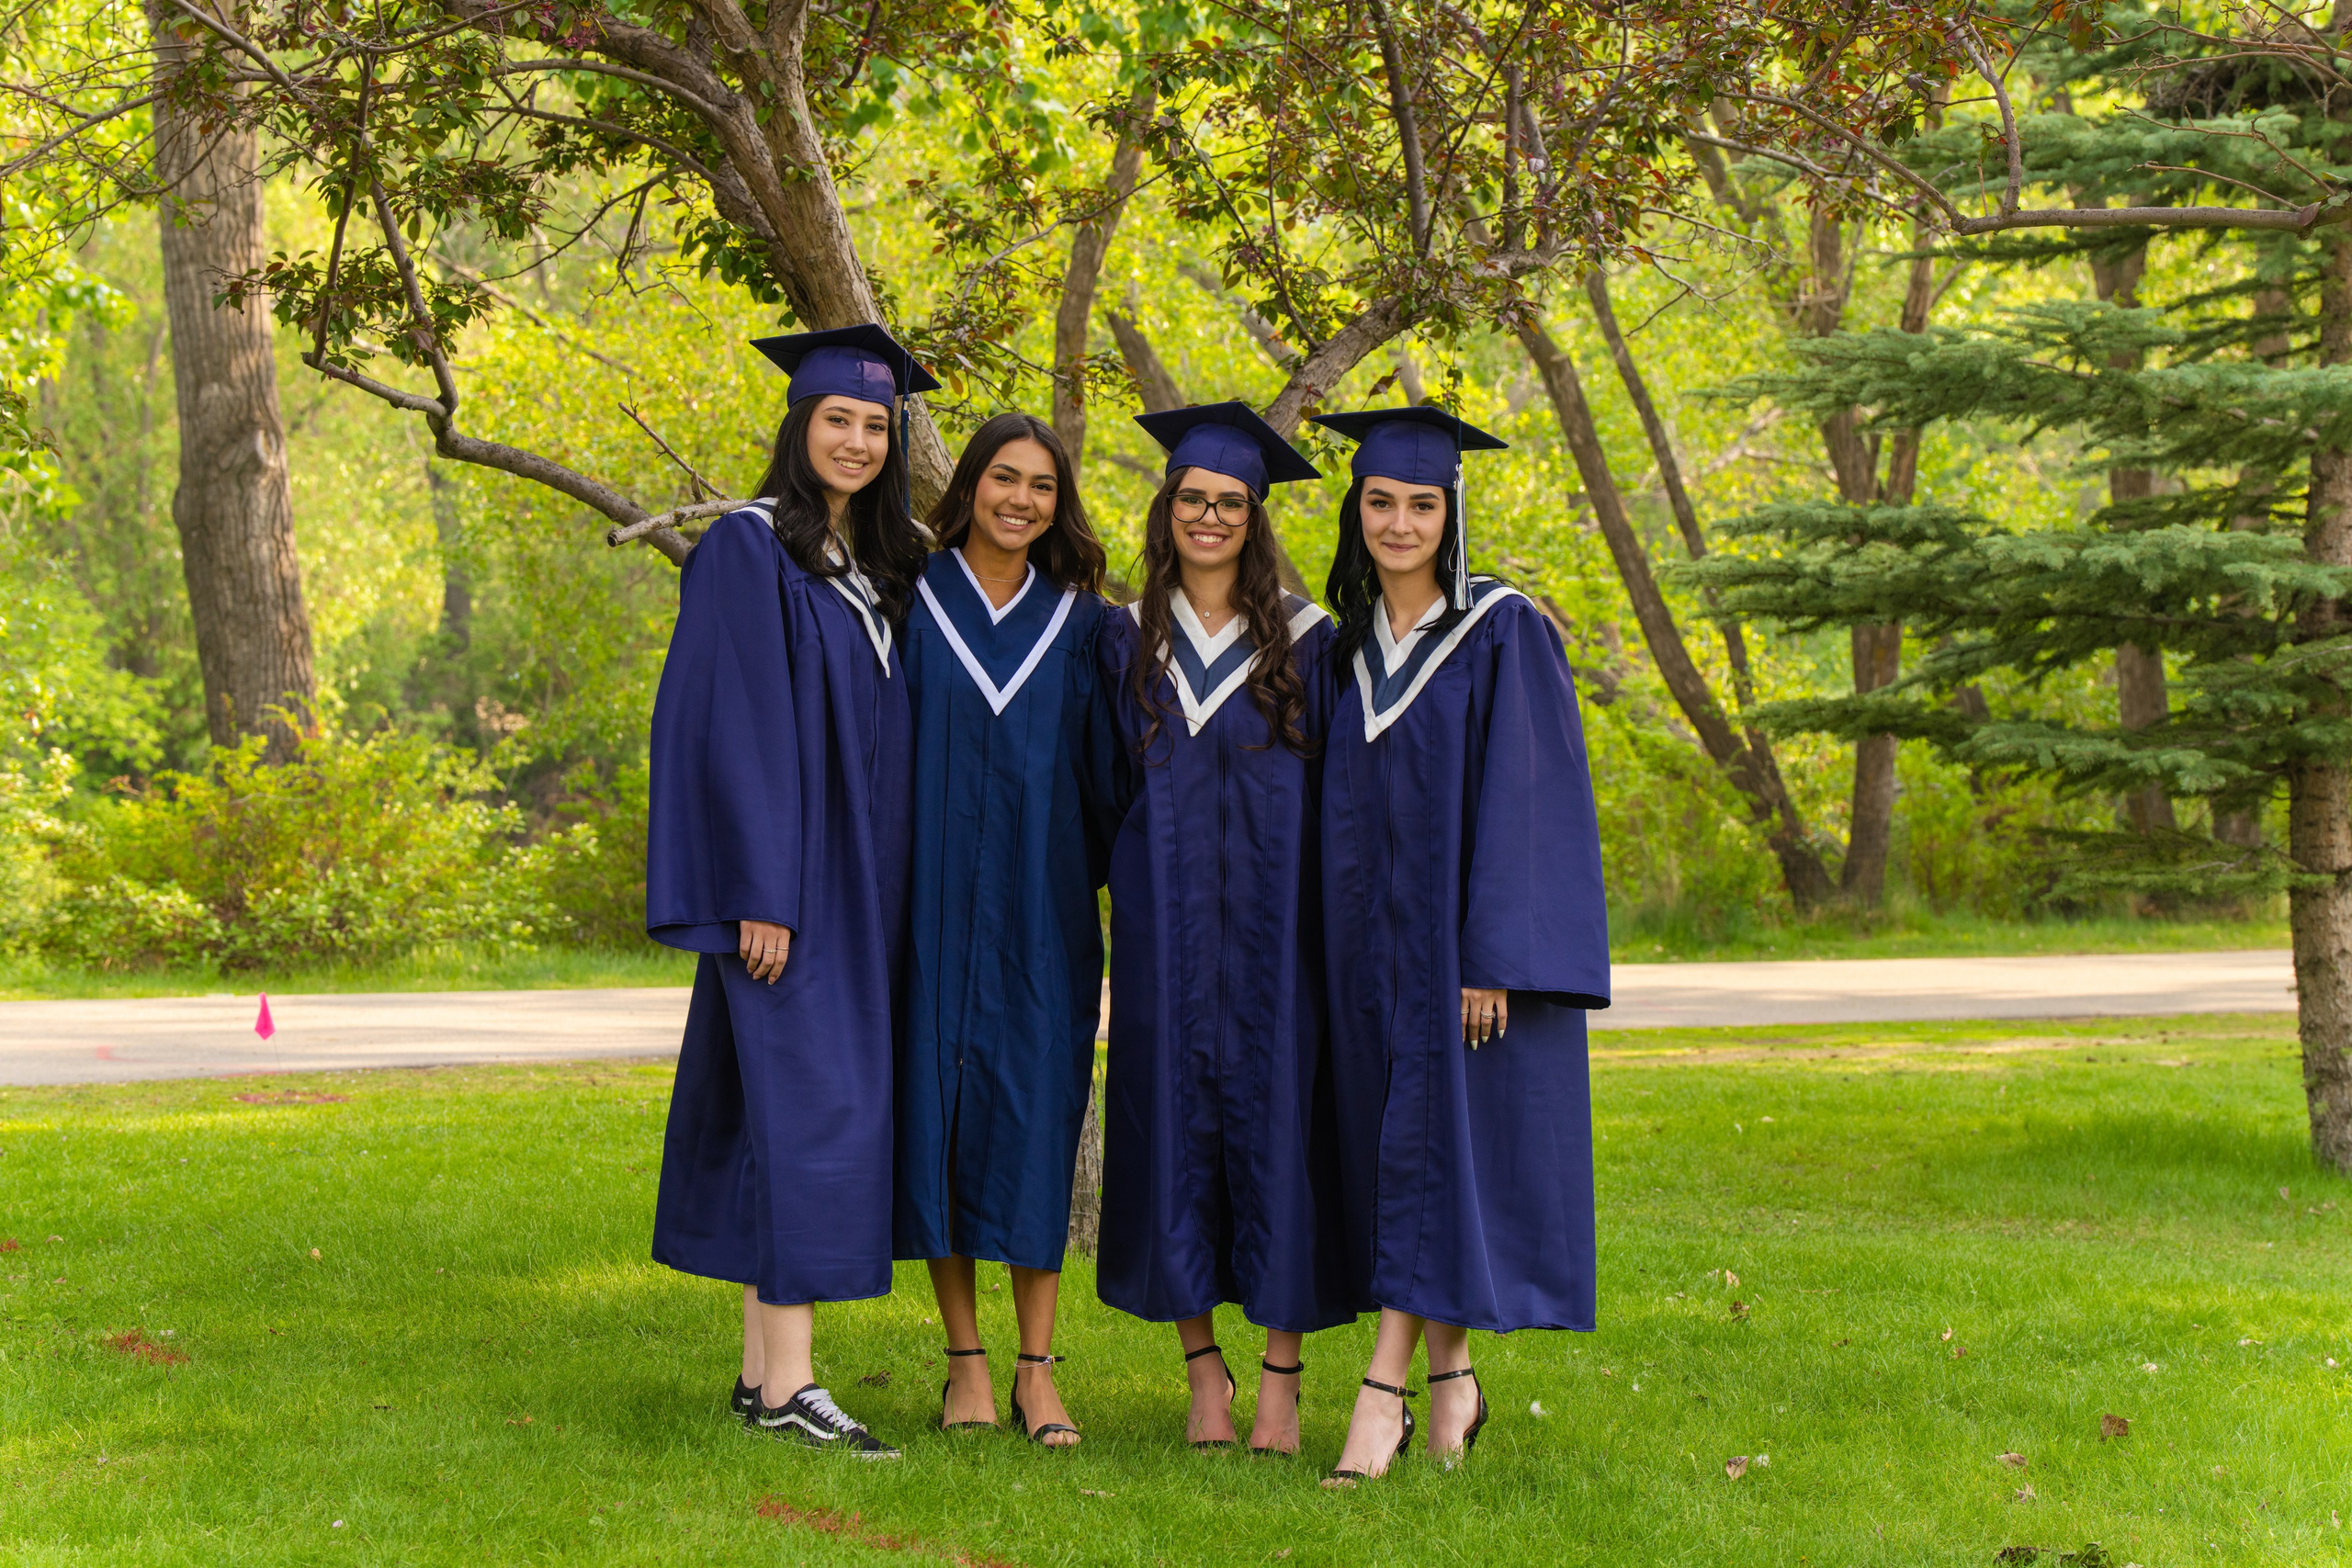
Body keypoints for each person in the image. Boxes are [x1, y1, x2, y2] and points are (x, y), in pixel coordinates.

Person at [1305, 405, 1610, 1486]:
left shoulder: (1500, 630)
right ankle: (1455, 1385)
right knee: (1410, 1166)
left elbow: (1532, 801)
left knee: (1433, 1160)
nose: (1397, 522)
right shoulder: (1345, 651)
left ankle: (1378, 1394)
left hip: (1459, 965)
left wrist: (1492, 956)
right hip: (1365, 962)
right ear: (1358, 509)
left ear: (1451, 513)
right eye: (1379, 501)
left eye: (1420, 504)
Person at [644, 324, 933, 1459]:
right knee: (812, 1116)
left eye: (875, 425)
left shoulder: (881, 565)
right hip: (795, 893)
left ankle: (764, 1379)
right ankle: (796, 1388)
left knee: (783, 1117)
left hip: (867, 884)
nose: (857, 441)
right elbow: (731, 731)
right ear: (798, 426)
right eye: (839, 421)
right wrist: (763, 890)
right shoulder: (748, 548)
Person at [1095, 401, 1359, 1453]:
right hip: (1162, 944)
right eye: (1193, 499)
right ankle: (1203, 1371)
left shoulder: (1309, 644)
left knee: (1279, 1140)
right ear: (1167, 510)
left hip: (1276, 947)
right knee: (1172, 1140)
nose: (1210, 516)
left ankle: (1283, 1381)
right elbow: (1095, 791)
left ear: (1255, 518)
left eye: (1230, 503)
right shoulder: (1121, 640)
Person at [896, 411, 1117, 1448]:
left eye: (1040, 485)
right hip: (925, 906)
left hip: (1044, 910)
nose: (1020, 499)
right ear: (969, 485)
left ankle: (1038, 1369)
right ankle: (965, 1365)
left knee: (1033, 1124)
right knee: (938, 1119)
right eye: (1002, 478)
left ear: (1056, 502)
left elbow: (1118, 786)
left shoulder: (1085, 626)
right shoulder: (907, 596)